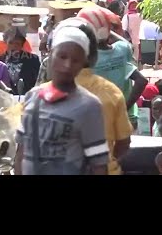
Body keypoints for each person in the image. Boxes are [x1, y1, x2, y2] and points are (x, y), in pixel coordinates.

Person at [15, 21, 109, 175]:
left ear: (83, 63)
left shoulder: (89, 106)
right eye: (62, 56)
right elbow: (20, 153)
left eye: (75, 60)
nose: (67, 65)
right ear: (51, 54)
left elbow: (98, 166)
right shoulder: (33, 97)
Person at [78, 5, 148, 129]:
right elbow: (141, 81)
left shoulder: (87, 59)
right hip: (127, 117)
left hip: (100, 120)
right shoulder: (122, 49)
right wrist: (124, 108)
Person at [1, 27, 41, 94]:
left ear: (22, 44)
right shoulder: (1, 60)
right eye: (11, 43)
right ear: (6, 42)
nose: (14, 46)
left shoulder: (33, 60)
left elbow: (38, 82)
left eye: (17, 43)